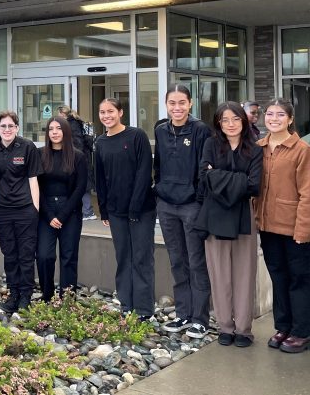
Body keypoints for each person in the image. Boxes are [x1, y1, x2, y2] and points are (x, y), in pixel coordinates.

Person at [253, 98, 310, 353]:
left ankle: (302, 332)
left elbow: (307, 193)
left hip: (294, 228)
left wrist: (304, 229)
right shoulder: (259, 147)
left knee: (300, 279)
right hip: (268, 227)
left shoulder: (301, 149)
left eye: (280, 114)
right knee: (278, 278)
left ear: (290, 119)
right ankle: (284, 326)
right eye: (270, 114)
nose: (274, 119)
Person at [197, 101, 262, 348]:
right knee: (219, 273)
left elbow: (254, 185)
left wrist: (217, 176)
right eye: (225, 120)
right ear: (218, 123)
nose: (230, 124)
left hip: (244, 215)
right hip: (215, 215)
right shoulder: (211, 145)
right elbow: (203, 177)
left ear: (244, 121)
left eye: (235, 119)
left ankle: (243, 329)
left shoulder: (255, 148)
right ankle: (225, 326)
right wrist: (237, 180)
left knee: (245, 273)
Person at [152, 85, 212, 339]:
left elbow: (204, 167)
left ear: (190, 103)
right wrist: (159, 191)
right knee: (177, 260)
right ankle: (183, 314)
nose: (177, 108)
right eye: (172, 103)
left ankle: (200, 318)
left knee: (196, 261)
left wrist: (198, 199)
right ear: (166, 104)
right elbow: (158, 165)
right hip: (166, 205)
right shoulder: (160, 130)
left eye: (181, 103)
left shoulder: (200, 130)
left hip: (191, 205)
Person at [93, 98, 156, 319]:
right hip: (116, 211)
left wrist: (135, 207)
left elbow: (144, 172)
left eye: (110, 111)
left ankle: (144, 310)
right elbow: (100, 178)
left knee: (141, 258)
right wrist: (104, 210)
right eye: (102, 112)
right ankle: (126, 305)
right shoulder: (100, 142)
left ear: (120, 112)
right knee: (123, 257)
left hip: (141, 210)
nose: (106, 116)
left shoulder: (136, 136)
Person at [0, 110, 42, 313]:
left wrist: (35, 208)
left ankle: (26, 296)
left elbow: (33, 179)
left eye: (11, 126)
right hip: (2, 210)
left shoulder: (27, 147)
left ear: (17, 128)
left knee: (26, 254)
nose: (7, 129)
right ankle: (13, 293)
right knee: (9, 253)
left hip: (25, 209)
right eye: (3, 126)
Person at [37, 117, 87, 302]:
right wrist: (50, 215)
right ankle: (47, 295)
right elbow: (35, 186)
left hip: (70, 211)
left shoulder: (78, 156)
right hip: (46, 211)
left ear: (65, 131)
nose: (55, 132)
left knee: (68, 256)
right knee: (44, 255)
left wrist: (63, 215)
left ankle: (67, 299)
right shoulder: (40, 154)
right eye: (51, 129)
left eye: (58, 128)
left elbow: (80, 188)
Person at [56, 105, 96, 220]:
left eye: (59, 116)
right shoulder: (76, 123)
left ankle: (88, 212)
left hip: (78, 159)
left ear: (63, 115)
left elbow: (77, 143)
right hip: (82, 158)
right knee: (81, 185)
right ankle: (86, 211)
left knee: (81, 185)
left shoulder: (71, 125)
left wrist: (72, 157)